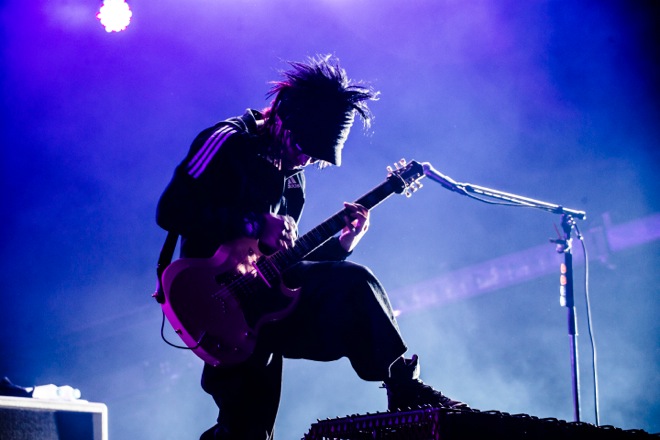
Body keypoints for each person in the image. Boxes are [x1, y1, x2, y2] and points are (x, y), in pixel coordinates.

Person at [156, 54, 468, 440]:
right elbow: (171, 209)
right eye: (304, 147)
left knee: (353, 284)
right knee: (246, 432)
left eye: (315, 155)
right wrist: (254, 223)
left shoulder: (292, 181)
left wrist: (341, 245)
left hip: (265, 307)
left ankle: (402, 386)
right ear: (282, 120)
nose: (305, 159)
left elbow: (283, 265)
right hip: (215, 299)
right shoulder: (229, 141)